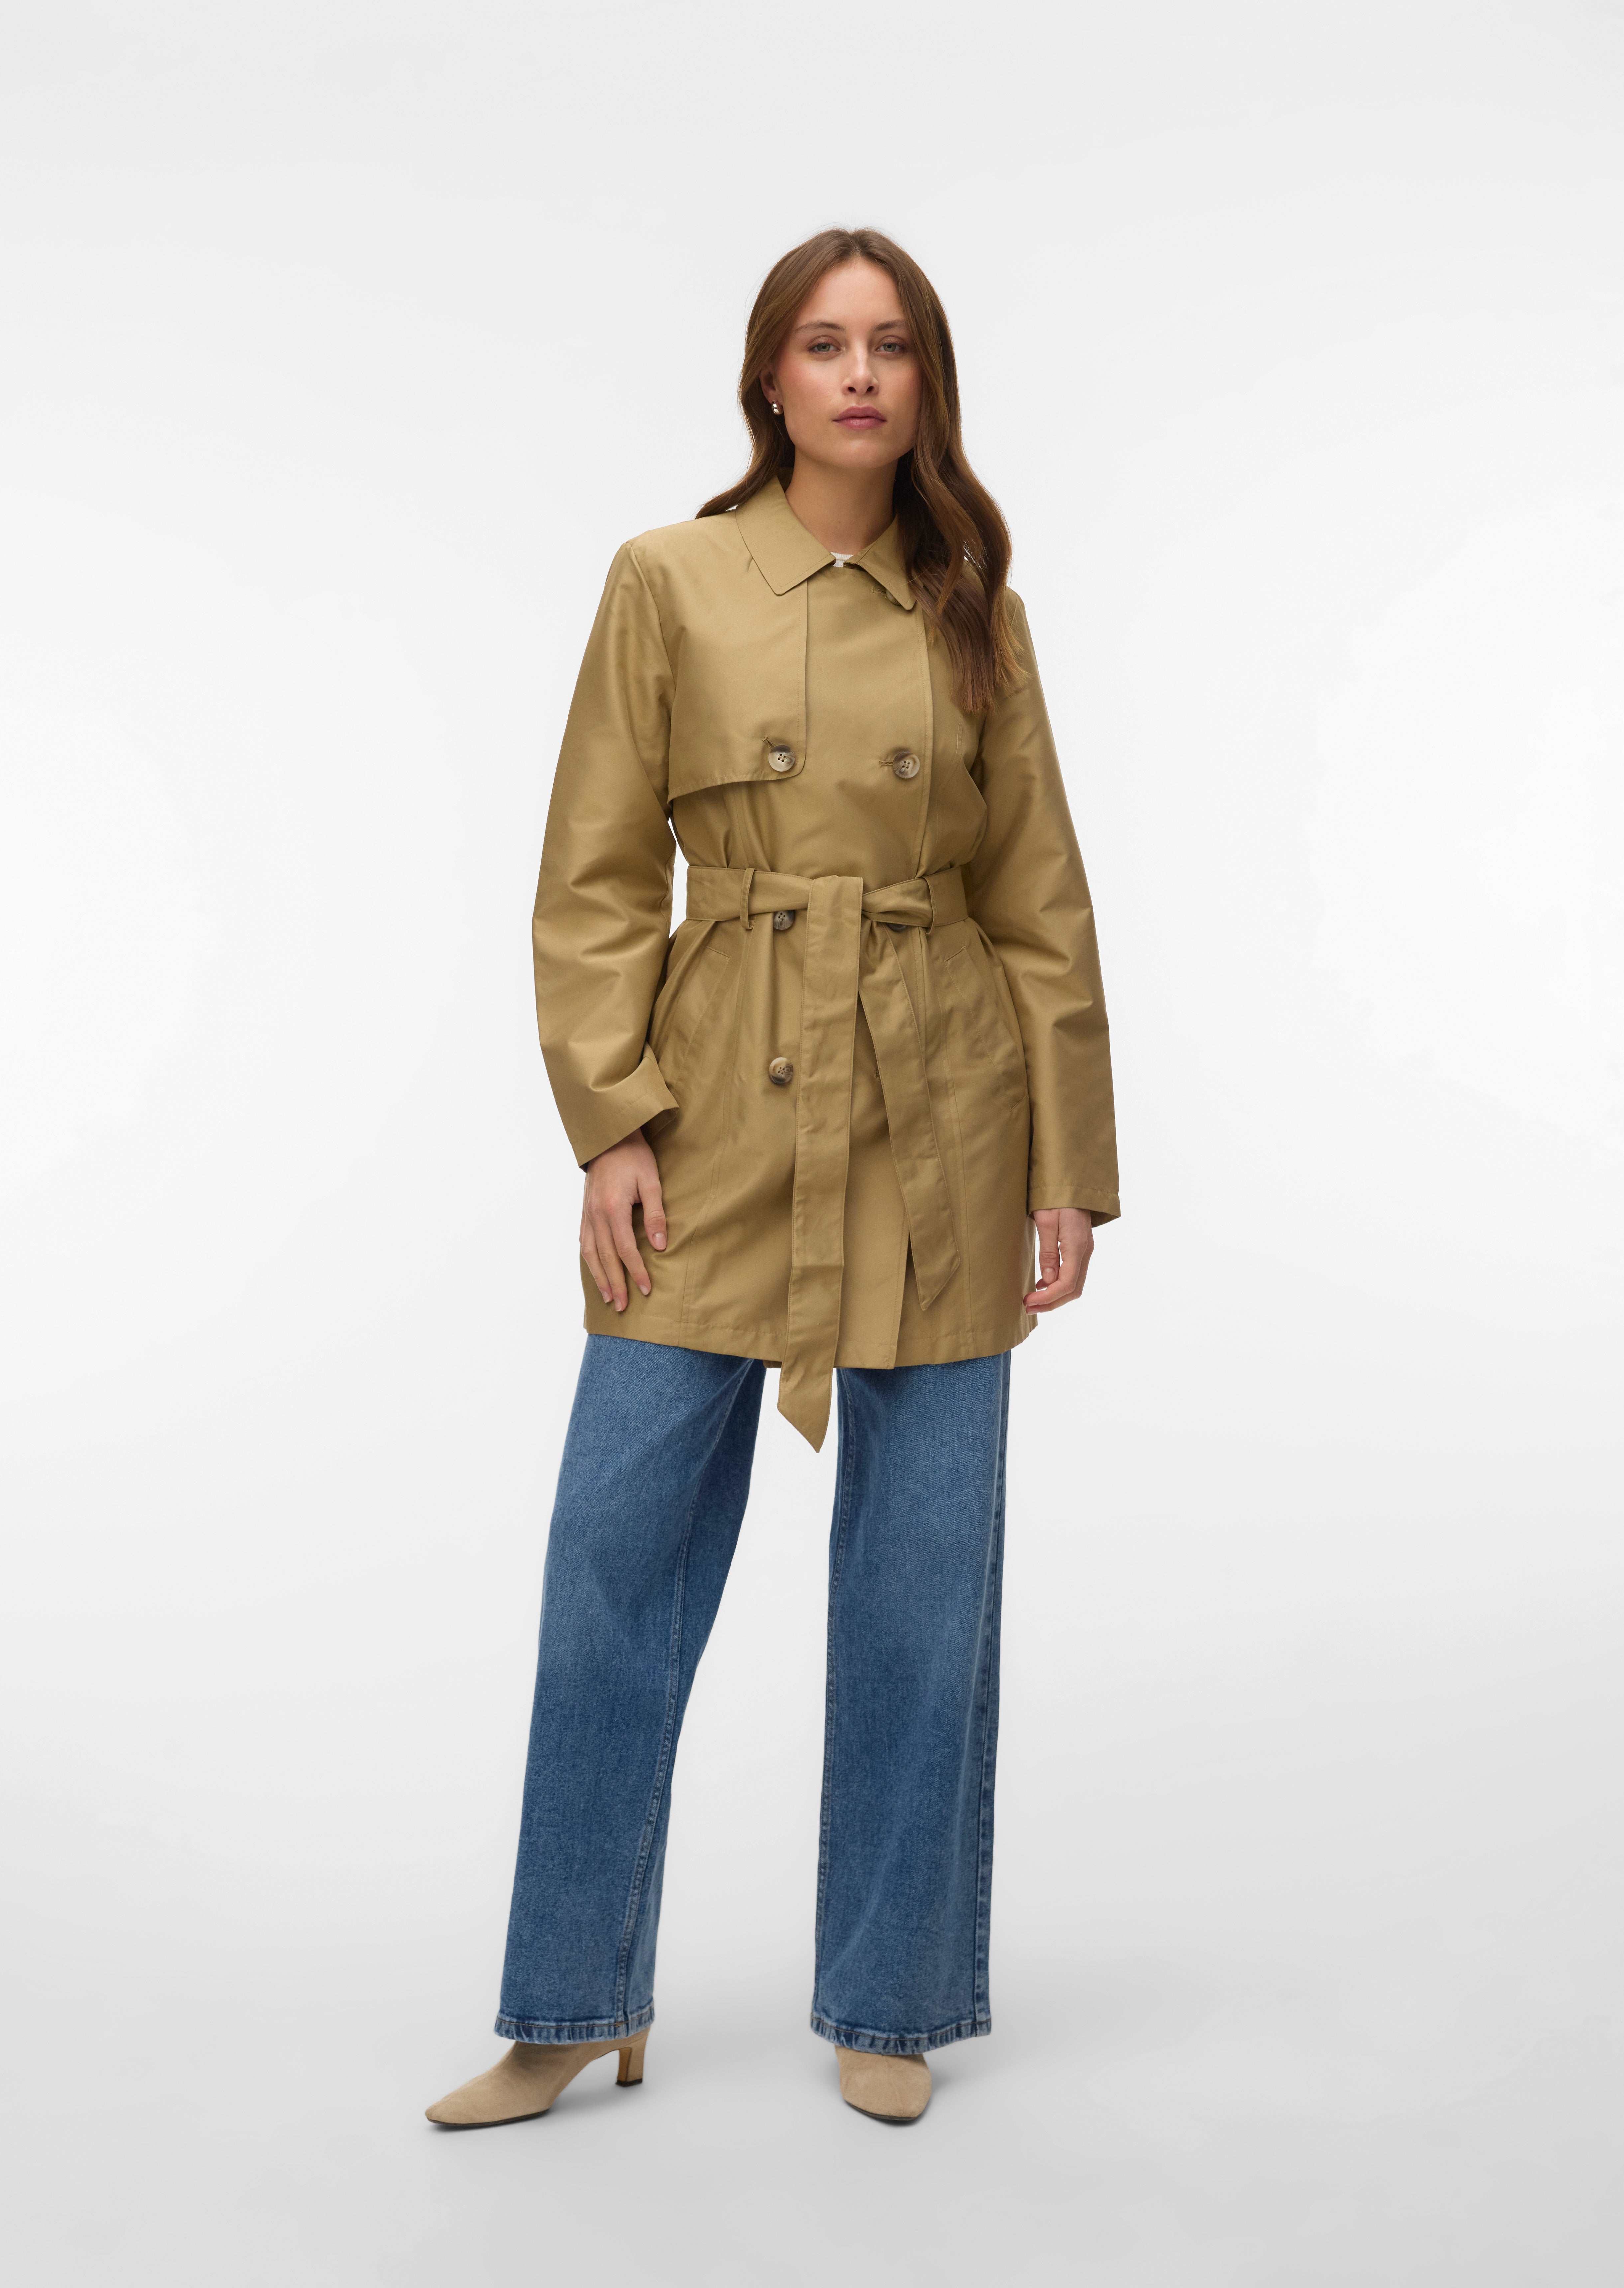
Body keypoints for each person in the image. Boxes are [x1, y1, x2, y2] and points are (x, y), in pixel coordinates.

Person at [426, 226, 1117, 2130]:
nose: (861, 376)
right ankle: (572, 2000)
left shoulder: (975, 601)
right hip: (718, 1103)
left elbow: (1038, 898)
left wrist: (1068, 1161)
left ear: (927, 381)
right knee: (612, 1557)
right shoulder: (667, 579)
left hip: (941, 1104)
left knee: (924, 1586)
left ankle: (892, 1995)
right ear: (770, 379)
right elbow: (591, 876)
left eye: (892, 346)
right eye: (825, 344)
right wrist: (613, 1124)